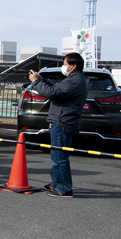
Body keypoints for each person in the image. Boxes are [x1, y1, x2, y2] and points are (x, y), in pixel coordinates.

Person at [28, 53, 88, 197]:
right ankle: (56, 183)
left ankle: (64, 188)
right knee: (57, 155)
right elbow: (57, 89)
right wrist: (43, 80)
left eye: (65, 64)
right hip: (63, 121)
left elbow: (53, 93)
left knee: (59, 157)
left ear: (73, 66)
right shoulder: (74, 79)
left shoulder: (75, 81)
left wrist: (36, 82)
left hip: (63, 122)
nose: (63, 67)